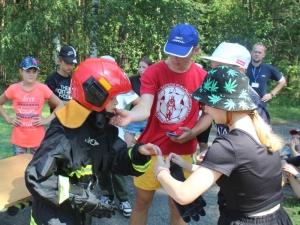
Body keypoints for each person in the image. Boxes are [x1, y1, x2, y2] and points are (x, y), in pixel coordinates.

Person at [25, 58, 161, 225]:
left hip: (79, 215)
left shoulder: (100, 129)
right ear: (96, 95)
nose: (117, 103)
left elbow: (116, 159)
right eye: (113, 98)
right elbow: (38, 178)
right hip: (52, 219)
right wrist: (82, 197)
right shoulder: (64, 133)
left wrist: (138, 154)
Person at [155, 66, 292, 225]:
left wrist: (161, 171)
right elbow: (242, 175)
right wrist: (188, 166)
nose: (205, 108)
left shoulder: (228, 145)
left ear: (223, 105)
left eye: (206, 102)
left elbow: (182, 195)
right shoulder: (262, 132)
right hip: (277, 218)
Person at [111, 23, 212, 225]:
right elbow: (145, 105)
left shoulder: (203, 77)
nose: (174, 59)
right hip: (151, 149)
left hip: (183, 153)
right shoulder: (153, 72)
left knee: (178, 208)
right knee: (141, 202)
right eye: (171, 53)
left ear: (196, 50)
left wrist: (193, 133)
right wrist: (131, 116)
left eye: (181, 54)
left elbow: (208, 114)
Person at [0, 56, 63, 215]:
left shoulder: (42, 88)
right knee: (18, 172)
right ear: (21, 71)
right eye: (28, 71)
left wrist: (47, 119)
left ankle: (36, 200)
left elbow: (60, 104)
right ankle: (17, 200)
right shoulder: (13, 89)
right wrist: (8, 118)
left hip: (37, 139)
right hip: (19, 139)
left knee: (37, 171)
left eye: (34, 71)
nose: (31, 74)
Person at [97, 55, 139, 217]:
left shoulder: (122, 84)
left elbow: (139, 102)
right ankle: (107, 194)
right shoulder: (96, 84)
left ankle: (123, 199)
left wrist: (129, 117)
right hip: (99, 135)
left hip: (117, 136)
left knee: (118, 168)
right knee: (102, 167)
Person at [124, 56, 153, 148]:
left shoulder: (153, 81)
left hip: (148, 117)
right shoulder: (133, 80)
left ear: (150, 68)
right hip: (134, 115)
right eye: (139, 67)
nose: (141, 70)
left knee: (146, 146)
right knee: (126, 146)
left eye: (144, 67)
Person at [45, 45, 77, 112]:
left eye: (72, 63)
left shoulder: (74, 81)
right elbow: (52, 103)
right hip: (56, 119)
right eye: (67, 63)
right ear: (59, 61)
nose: (70, 66)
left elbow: (78, 104)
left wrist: (59, 102)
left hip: (72, 119)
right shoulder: (52, 79)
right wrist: (73, 104)